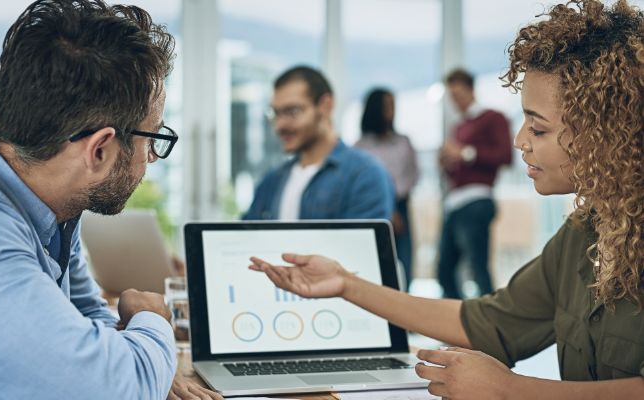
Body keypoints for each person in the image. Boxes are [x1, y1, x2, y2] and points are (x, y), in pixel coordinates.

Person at [249, 0, 644, 398]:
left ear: (605, 134)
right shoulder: (584, 234)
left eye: (538, 129)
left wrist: (510, 390)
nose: (520, 140)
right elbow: (487, 321)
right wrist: (347, 284)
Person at [0, 1, 220, 399]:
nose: (152, 158)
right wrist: (152, 320)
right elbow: (110, 391)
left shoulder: (45, 200)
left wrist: (148, 365)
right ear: (100, 151)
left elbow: (90, 318)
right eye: (153, 139)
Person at [243, 66, 395, 221]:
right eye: (276, 114)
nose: (279, 125)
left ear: (325, 106)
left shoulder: (364, 174)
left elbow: (361, 245)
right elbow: (246, 240)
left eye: (292, 111)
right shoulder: (271, 181)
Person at [437, 68, 513, 298]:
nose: (456, 101)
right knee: (444, 270)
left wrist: (466, 154)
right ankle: (456, 322)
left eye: (459, 94)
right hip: (455, 202)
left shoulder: (492, 118)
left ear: (471, 90)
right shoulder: (458, 128)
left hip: (477, 200)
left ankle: (488, 325)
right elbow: (457, 171)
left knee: (477, 267)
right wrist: (448, 162)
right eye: (452, 96)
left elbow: (505, 156)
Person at [355, 88, 419, 290]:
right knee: (374, 266)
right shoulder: (360, 147)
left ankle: (404, 317)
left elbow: (412, 174)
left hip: (402, 206)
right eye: (387, 105)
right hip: (372, 210)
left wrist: (395, 205)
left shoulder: (403, 142)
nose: (391, 111)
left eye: (393, 105)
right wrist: (386, 207)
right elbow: (361, 184)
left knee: (404, 264)